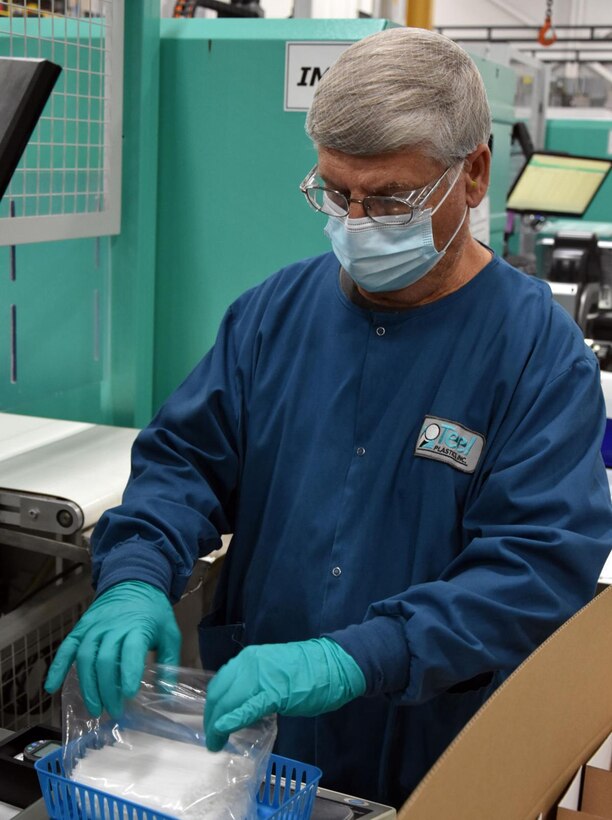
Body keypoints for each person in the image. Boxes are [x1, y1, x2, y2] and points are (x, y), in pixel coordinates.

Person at [45, 27, 612, 807]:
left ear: (474, 175)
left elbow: (533, 570)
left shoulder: (536, 354)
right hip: (258, 743)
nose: (358, 221)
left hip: (429, 750)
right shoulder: (273, 315)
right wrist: (136, 575)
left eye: (391, 199)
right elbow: (184, 462)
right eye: (337, 193)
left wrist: (361, 656)